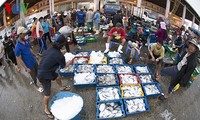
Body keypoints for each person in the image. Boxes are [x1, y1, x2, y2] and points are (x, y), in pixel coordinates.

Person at [38, 34, 72, 119]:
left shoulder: (50, 49)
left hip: (45, 69)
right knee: (47, 94)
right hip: (43, 75)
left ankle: (60, 87)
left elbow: (54, 56)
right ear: (62, 45)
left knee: (58, 77)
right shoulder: (59, 55)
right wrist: (70, 62)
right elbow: (64, 66)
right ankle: (46, 109)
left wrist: (63, 53)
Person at [14, 26, 43, 92]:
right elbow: (19, 59)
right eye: (23, 34)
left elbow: (30, 49)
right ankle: (36, 86)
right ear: (20, 34)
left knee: (39, 73)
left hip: (34, 61)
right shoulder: (17, 47)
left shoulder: (25, 41)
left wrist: (35, 55)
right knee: (34, 78)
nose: (25, 34)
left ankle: (42, 82)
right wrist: (26, 68)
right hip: (29, 66)